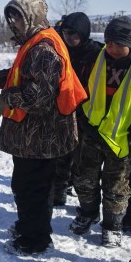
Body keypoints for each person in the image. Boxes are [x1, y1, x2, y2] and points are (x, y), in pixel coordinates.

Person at [0, 0, 86, 255]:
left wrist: (3, 100)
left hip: (42, 137)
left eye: (18, 17)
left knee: (34, 189)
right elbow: (24, 75)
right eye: (11, 17)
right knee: (26, 186)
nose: (13, 22)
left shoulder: (44, 48)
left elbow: (39, 96)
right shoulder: (34, 42)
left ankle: (35, 240)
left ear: (32, 17)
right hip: (32, 138)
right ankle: (29, 227)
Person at [69, 16, 131, 248]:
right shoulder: (94, 59)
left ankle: (112, 226)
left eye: (119, 44)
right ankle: (88, 214)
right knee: (84, 179)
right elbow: (78, 87)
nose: (113, 49)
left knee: (116, 187)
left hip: (122, 140)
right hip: (91, 132)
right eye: (109, 43)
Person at [52, 12, 104, 206]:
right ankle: (59, 191)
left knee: (82, 157)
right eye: (66, 33)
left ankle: (82, 195)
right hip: (63, 109)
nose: (69, 38)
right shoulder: (60, 50)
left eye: (74, 34)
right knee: (60, 154)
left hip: (87, 111)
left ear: (84, 33)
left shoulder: (97, 53)